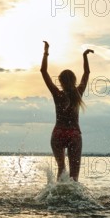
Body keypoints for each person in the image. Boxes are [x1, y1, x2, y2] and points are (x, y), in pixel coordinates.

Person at [40, 41, 94, 181]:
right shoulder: (79, 92)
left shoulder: (57, 94)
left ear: (60, 82)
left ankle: (57, 197)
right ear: (75, 80)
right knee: (73, 176)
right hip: (74, 134)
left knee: (61, 169)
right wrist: (84, 56)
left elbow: (43, 72)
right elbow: (87, 73)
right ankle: (72, 199)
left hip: (58, 133)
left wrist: (46, 52)